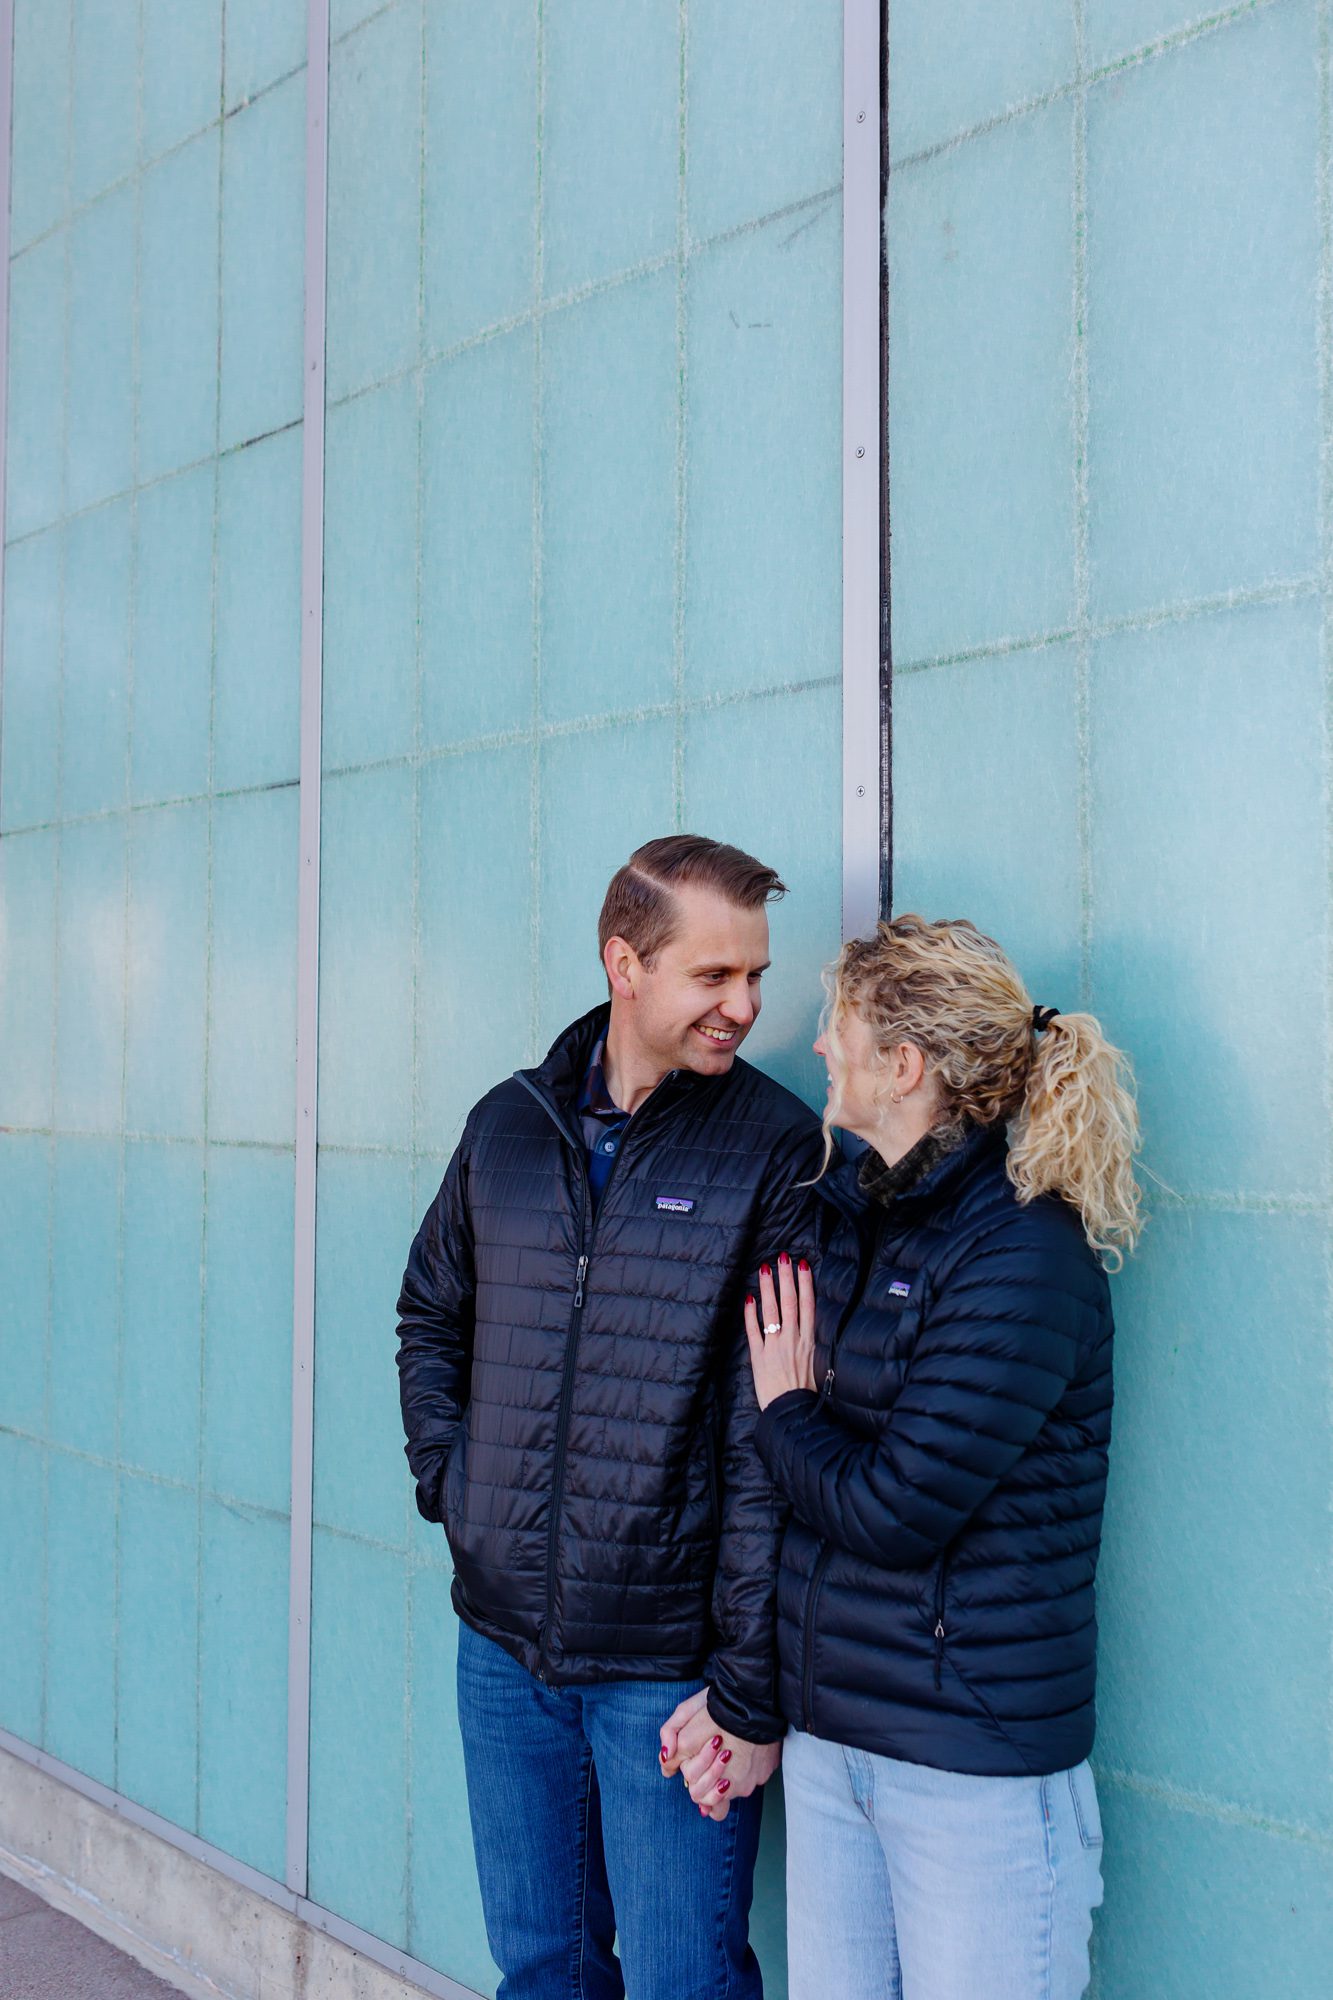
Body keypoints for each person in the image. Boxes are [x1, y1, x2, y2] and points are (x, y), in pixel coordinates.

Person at [396, 835, 826, 2000]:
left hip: (664, 1668)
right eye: (712, 974)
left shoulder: (775, 1149)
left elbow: (765, 1440)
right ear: (624, 963)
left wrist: (742, 1677)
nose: (744, 1005)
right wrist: (454, 1483)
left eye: (755, 975)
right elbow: (430, 1311)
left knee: (685, 1980)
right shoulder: (508, 1125)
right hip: (502, 1645)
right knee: (542, 1969)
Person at [692, 914, 1141, 2000]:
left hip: (969, 1775)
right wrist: (743, 1704)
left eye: (836, 1025)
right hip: (834, 1745)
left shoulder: (1023, 1253)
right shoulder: (861, 1217)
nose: (815, 1044)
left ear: (902, 1065)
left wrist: (786, 1410)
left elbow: (894, 1509)